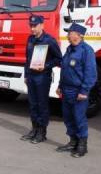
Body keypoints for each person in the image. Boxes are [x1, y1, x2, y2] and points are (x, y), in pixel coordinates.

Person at [56, 23, 97, 158]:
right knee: (68, 118)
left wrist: (84, 91)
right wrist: (60, 86)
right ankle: (73, 142)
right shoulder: (69, 49)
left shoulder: (86, 50)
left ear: (79, 35)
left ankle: (82, 145)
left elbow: (91, 73)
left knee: (79, 118)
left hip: (77, 91)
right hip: (66, 89)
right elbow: (65, 71)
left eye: (70, 33)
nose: (68, 35)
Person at [21, 15, 62, 144]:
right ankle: (34, 129)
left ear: (42, 25)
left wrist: (46, 66)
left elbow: (59, 59)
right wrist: (26, 75)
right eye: (31, 26)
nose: (32, 28)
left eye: (35, 26)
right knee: (32, 104)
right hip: (32, 76)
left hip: (42, 77)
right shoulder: (30, 39)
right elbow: (27, 59)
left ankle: (42, 132)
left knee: (42, 104)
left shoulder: (49, 40)